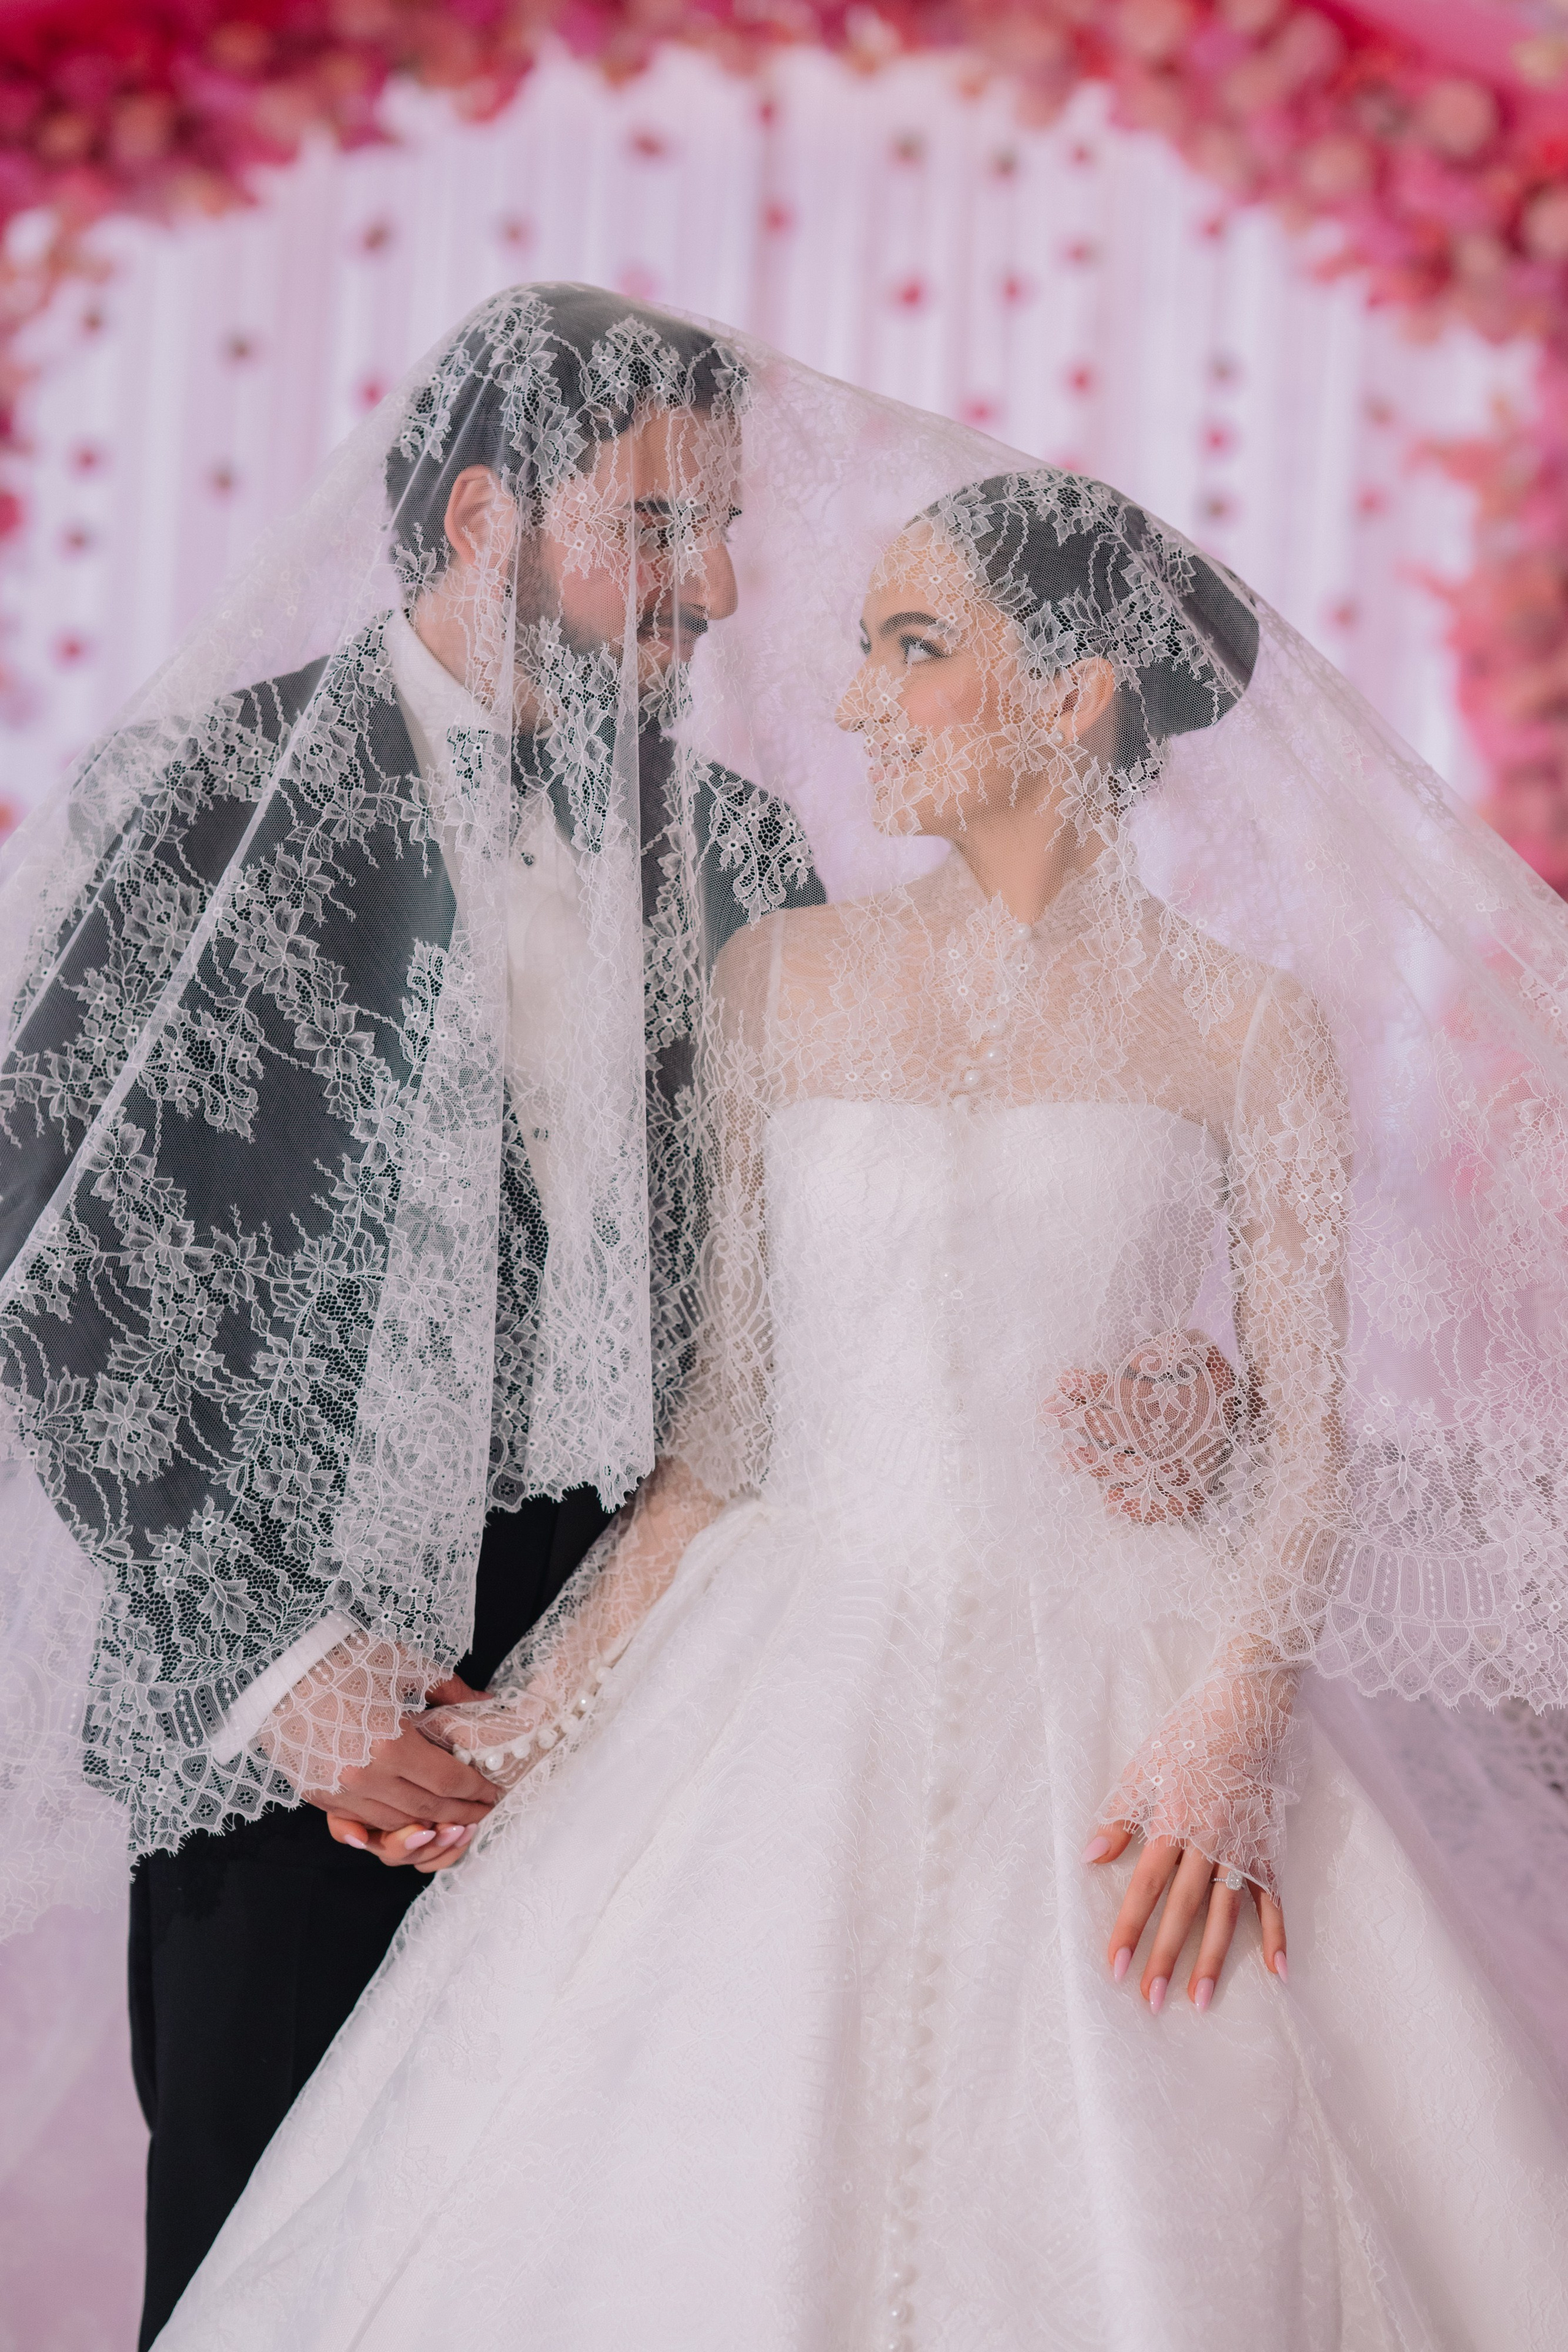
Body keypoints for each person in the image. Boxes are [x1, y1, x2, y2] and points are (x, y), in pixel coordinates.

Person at [148, 399, 1568, 2344]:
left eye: (916, 645)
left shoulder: (1251, 1035)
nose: (852, 688)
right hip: (779, 1665)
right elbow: (728, 1429)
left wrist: (1235, 1726)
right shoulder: (778, 981)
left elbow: (1304, 1437)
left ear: (1074, 698)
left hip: (1130, 1702)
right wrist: (524, 1726)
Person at [0, 284, 821, 2348]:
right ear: (481, 514)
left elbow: (827, 1263)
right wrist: (289, 1679)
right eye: (654, 527)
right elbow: (56, 1280)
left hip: (658, 1674)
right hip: (290, 1685)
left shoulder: (742, 848)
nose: (711, 587)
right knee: (277, 2269)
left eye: (720, 528)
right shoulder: (205, 804)